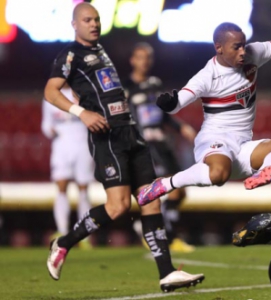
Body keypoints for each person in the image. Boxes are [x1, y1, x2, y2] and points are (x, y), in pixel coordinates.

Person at [43, 3, 204, 292]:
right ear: (74, 24)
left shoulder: (101, 50)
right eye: (87, 20)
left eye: (97, 19)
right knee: (117, 208)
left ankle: (166, 273)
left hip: (132, 133)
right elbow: (50, 91)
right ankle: (63, 243)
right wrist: (82, 113)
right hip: (108, 137)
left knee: (151, 200)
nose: (94, 24)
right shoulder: (70, 54)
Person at [137, 22, 271, 206]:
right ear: (219, 48)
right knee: (218, 175)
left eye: (244, 44)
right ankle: (165, 184)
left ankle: (266, 171)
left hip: (242, 146)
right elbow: (179, 102)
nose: (243, 51)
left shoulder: (252, 55)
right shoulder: (207, 76)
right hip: (214, 140)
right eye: (236, 47)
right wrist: (169, 103)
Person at [122, 42, 197, 253]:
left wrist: (181, 126)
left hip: (162, 143)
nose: (144, 61)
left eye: (147, 57)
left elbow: (163, 114)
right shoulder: (125, 88)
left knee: (179, 192)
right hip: (144, 146)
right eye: (140, 57)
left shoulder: (155, 84)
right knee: (165, 191)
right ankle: (169, 237)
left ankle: (148, 228)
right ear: (132, 60)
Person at [41, 85, 94, 250]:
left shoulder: (82, 92)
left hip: (82, 144)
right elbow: (46, 125)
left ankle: (84, 235)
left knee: (83, 188)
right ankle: (62, 231)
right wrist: (51, 130)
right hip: (61, 146)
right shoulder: (50, 95)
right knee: (61, 186)